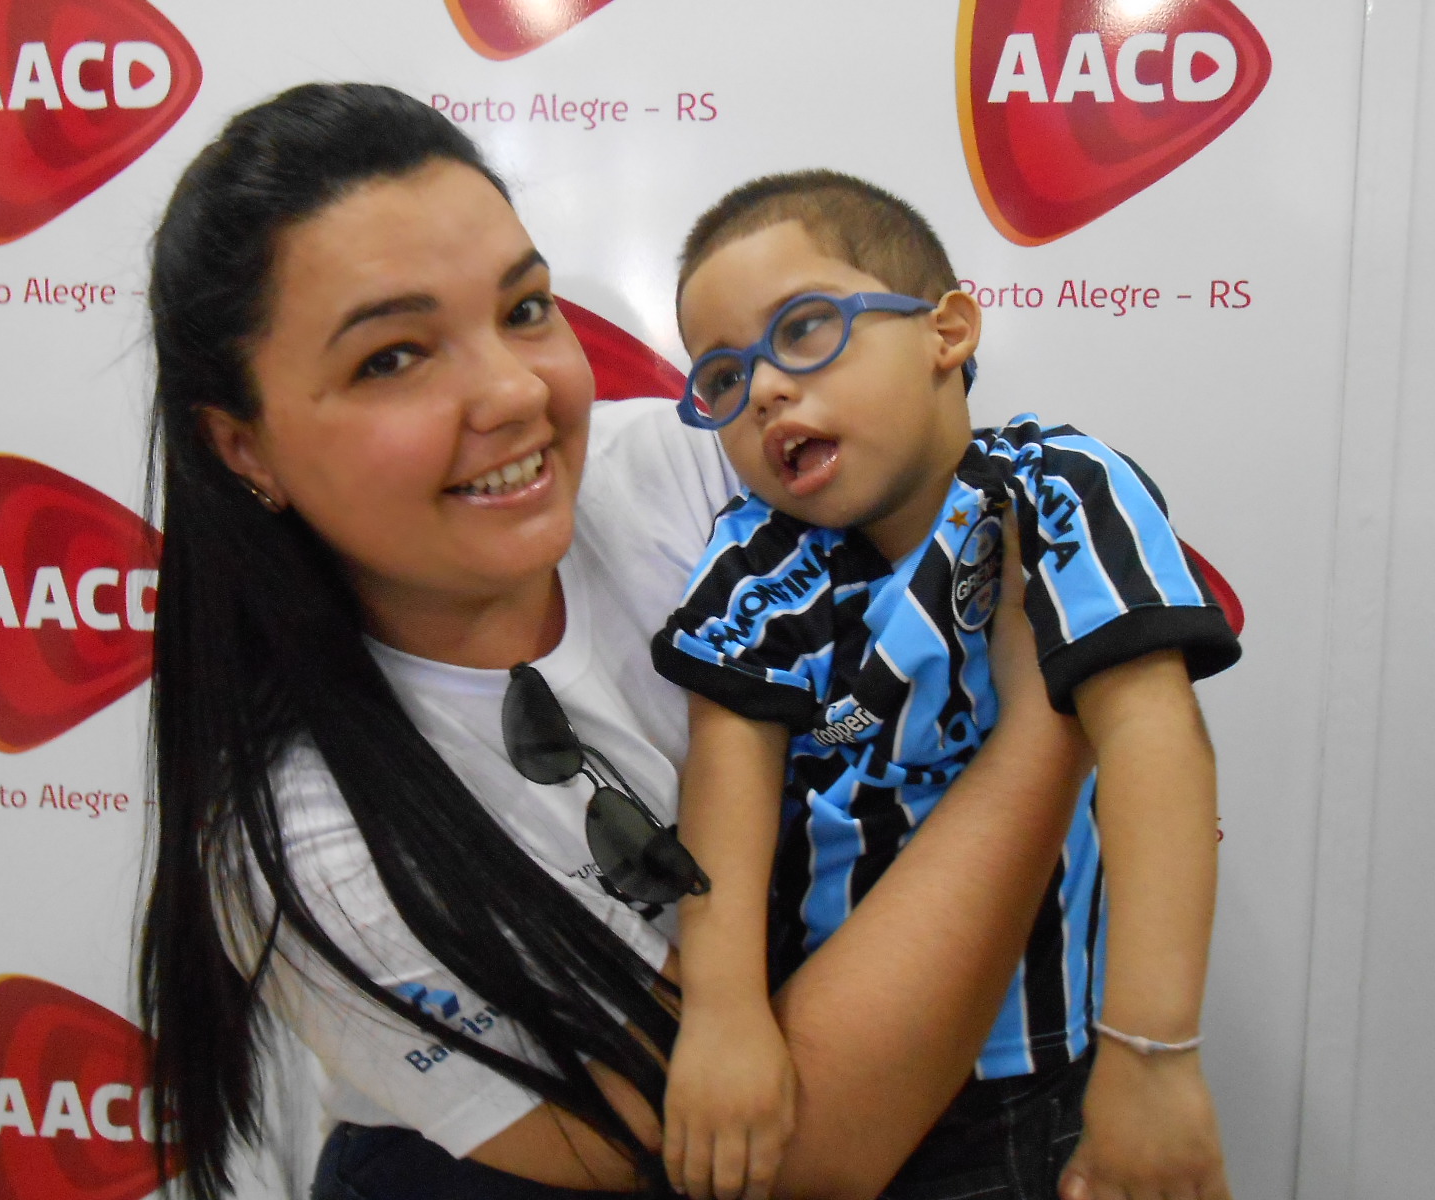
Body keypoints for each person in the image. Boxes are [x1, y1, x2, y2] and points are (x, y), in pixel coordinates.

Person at [137, 84, 1092, 1200]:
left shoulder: (699, 476)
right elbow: (794, 1157)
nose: (509, 391)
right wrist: (1051, 726)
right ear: (242, 445)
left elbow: (995, 583)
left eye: (526, 308)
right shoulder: (315, 848)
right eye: (393, 358)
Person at [651, 169, 1242, 1200]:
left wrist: (1152, 1052)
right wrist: (724, 1014)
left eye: (803, 331)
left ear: (949, 331)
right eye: (723, 380)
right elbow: (724, 783)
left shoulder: (1054, 487)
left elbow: (1154, 735)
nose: (769, 392)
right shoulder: (751, 561)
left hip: (1028, 1077)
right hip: (828, 1053)